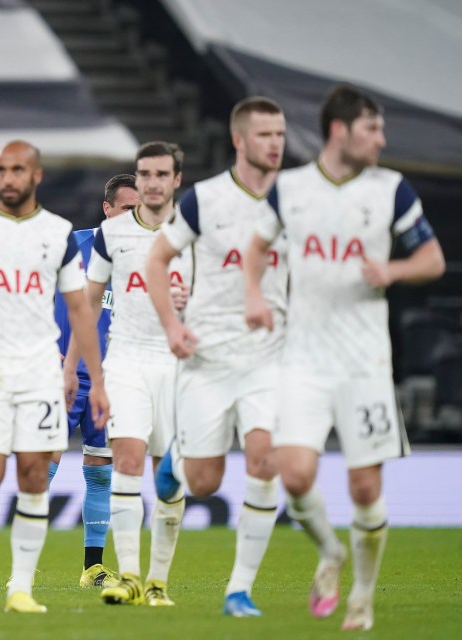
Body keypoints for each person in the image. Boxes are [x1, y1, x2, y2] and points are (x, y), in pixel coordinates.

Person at [243, 84, 445, 631]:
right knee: (295, 474)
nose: (381, 139)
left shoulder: (391, 190)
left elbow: (432, 258)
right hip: (303, 359)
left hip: (364, 364)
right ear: (340, 130)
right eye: (372, 129)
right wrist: (254, 294)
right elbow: (257, 246)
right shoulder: (292, 189)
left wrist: (395, 271)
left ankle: (362, 596)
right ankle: (330, 552)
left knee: (364, 488)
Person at [0, 140, 110, 614]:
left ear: (36, 176)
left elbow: (81, 308)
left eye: (17, 169)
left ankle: (20, 588)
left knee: (35, 475)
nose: (7, 178)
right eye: (0, 170)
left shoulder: (59, 234)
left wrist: (93, 377)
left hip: (41, 373)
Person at [145, 97, 288, 617]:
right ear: (240, 140)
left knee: (265, 460)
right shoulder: (205, 199)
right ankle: (179, 461)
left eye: (280, 133)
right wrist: (172, 325)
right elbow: (156, 260)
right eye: (265, 134)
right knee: (204, 484)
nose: (276, 142)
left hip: (270, 358)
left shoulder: (296, 199)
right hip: (207, 356)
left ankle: (239, 590)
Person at [69, 142, 191, 606]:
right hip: (120, 363)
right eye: (144, 176)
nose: (151, 184)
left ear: (176, 179)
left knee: (169, 476)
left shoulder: (192, 235)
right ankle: (127, 576)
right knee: (125, 463)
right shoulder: (103, 239)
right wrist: (69, 369)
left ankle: (157, 581)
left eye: (161, 175)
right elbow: (81, 305)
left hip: (175, 366)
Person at [49, 173, 138, 590]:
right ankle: (20, 559)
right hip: (63, 375)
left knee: (100, 468)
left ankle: (93, 567)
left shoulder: (147, 257)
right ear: (107, 209)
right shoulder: (72, 246)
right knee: (41, 464)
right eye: (126, 209)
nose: (133, 218)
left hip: (111, 379)